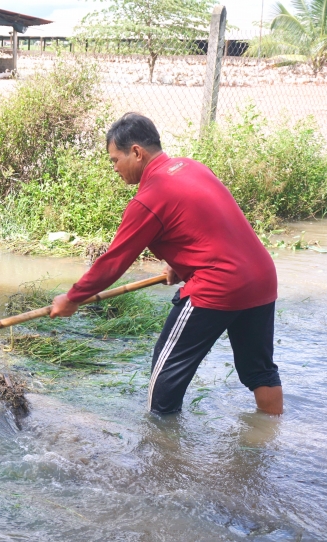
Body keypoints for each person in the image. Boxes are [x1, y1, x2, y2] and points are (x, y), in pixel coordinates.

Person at [49, 113, 283, 415]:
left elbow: (114, 262)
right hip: (261, 278)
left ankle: (162, 454)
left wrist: (73, 297)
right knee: (259, 371)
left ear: (136, 152)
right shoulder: (192, 167)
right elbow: (208, 226)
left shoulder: (149, 198)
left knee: (166, 372)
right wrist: (181, 264)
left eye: (115, 160)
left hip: (218, 286)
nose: (115, 169)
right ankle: (270, 441)